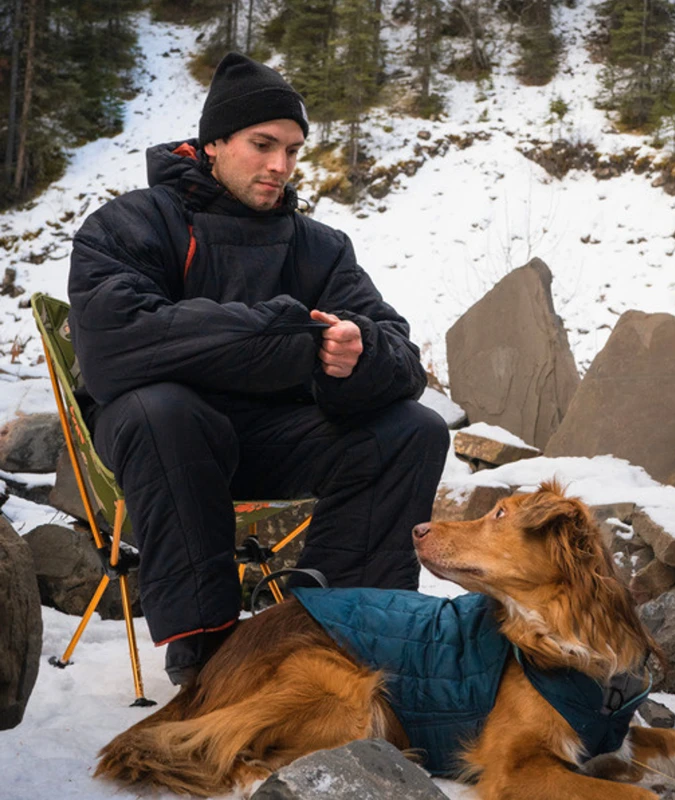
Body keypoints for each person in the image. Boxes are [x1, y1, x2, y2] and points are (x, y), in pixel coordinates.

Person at [67, 52, 450, 686]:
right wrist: (285, 331)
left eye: (294, 150)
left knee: (414, 428)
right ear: (213, 143)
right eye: (262, 144)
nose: (280, 166)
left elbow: (403, 358)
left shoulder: (320, 248)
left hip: (272, 440)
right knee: (163, 409)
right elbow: (114, 347)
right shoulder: (131, 223)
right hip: (161, 443)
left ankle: (338, 629)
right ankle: (208, 653)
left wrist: (356, 355)